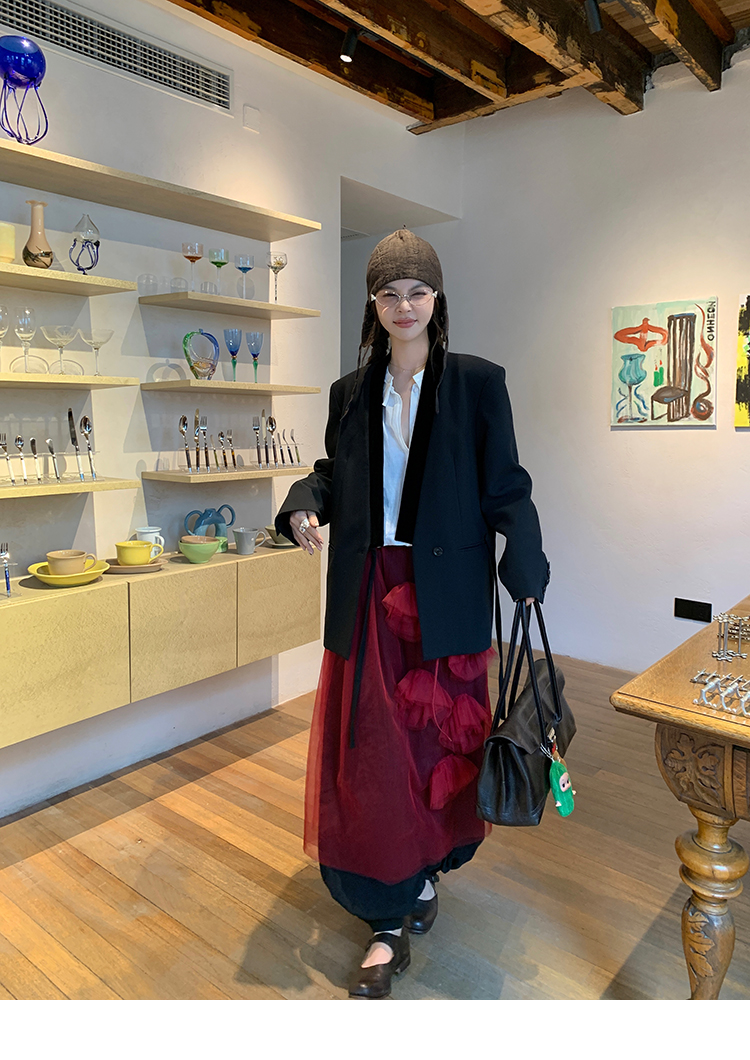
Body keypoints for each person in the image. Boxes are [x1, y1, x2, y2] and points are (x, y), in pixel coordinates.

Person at [275, 228, 549, 999]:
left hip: (444, 595)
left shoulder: (477, 383)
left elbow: (507, 486)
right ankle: (387, 915)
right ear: (373, 303)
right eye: (389, 293)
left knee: (433, 750)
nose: (404, 306)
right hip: (369, 590)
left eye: (417, 291)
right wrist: (302, 503)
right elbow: (333, 474)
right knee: (373, 755)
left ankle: (421, 872)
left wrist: (525, 563)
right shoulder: (349, 392)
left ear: (436, 299)